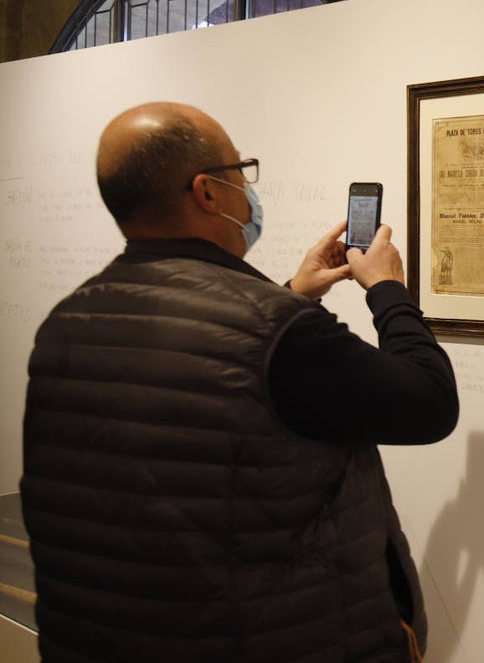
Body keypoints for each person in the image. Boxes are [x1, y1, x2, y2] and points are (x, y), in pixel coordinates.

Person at [21, 102, 459, 663]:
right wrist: (387, 289)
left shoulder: (68, 321)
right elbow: (428, 403)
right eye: (241, 171)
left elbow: (223, 378)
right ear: (207, 193)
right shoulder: (279, 334)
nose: (249, 191)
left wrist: (290, 295)